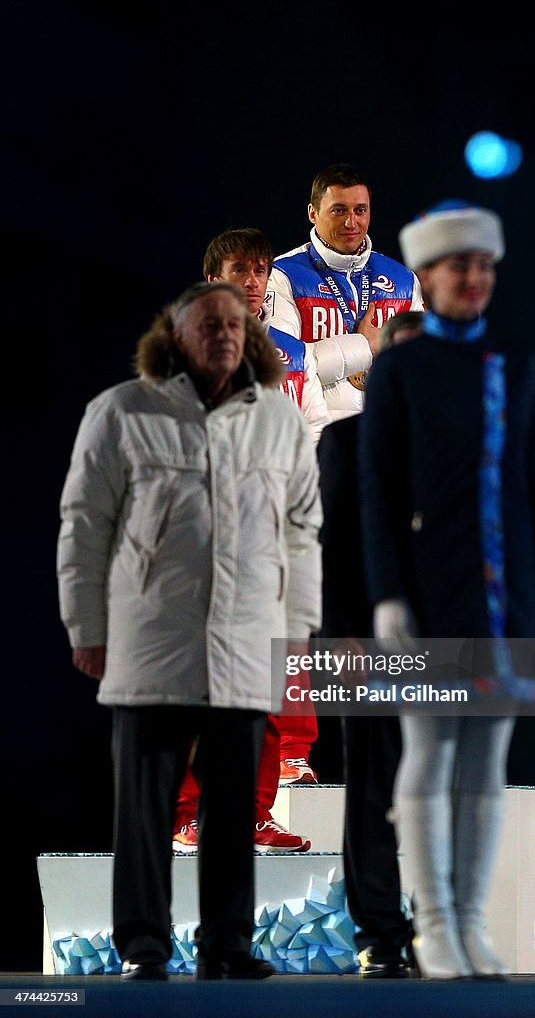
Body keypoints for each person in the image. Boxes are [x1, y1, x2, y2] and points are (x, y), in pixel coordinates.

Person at [57, 280, 322, 981]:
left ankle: (227, 944)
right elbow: (83, 528)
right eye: (208, 323)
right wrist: (87, 627)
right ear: (175, 334)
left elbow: (302, 531)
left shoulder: (279, 419)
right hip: (152, 645)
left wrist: (296, 630)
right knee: (145, 808)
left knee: (232, 806)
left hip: (245, 643)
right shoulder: (120, 411)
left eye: (235, 323)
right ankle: (143, 945)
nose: (225, 334)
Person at [358, 201, 535, 979]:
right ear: (426, 276)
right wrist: (387, 592)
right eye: (459, 267)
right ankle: (433, 924)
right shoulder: (400, 367)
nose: (474, 279)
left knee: (487, 754)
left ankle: (470, 920)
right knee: (431, 745)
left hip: (505, 587)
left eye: (483, 266)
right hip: (428, 587)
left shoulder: (512, 364)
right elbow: (376, 488)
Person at [172, 229, 327, 858]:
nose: (254, 280)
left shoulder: (290, 352)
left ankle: (255, 815)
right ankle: (185, 816)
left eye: (262, 270)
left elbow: (314, 429)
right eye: (240, 268)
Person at [317, 310, 423, 979]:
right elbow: (325, 550)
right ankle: (381, 934)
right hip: (367, 645)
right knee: (374, 789)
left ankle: (446, 924)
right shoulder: (344, 439)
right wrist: (342, 637)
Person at [266, 162, 424, 421]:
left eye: (360, 210)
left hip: (387, 437)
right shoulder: (282, 276)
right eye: (338, 211)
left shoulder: (403, 280)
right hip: (321, 441)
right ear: (313, 213)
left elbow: (423, 367)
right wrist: (367, 346)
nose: (351, 222)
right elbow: (284, 371)